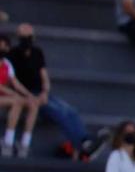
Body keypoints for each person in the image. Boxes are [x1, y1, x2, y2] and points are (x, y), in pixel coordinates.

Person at [3, 26, 93, 160]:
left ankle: (86, 141)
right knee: (58, 112)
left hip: (40, 92)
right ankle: (80, 145)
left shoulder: (37, 53)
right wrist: (29, 95)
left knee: (69, 110)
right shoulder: (12, 55)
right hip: (27, 95)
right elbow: (12, 81)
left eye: (27, 37)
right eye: (22, 37)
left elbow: (44, 76)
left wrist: (45, 92)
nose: (25, 40)